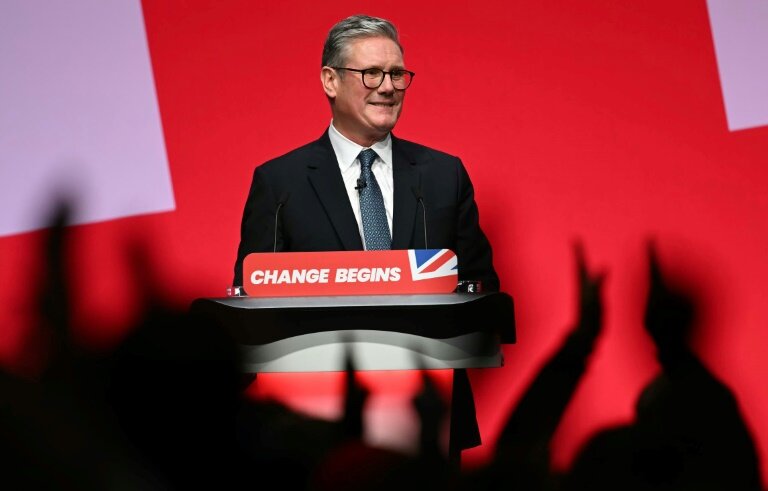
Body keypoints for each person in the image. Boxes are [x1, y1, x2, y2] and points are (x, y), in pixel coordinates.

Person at [232, 14, 499, 292]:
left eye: (396, 74)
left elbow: (480, 289)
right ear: (330, 81)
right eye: (371, 73)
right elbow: (253, 297)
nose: (387, 88)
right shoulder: (280, 183)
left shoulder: (444, 176)